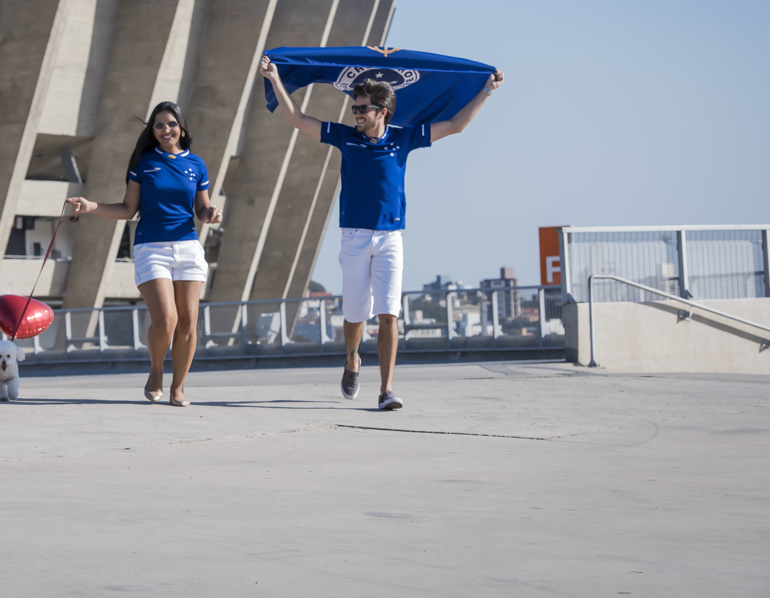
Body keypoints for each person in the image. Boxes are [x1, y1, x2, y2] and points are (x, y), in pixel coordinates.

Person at [259, 54, 504, 409]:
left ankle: (386, 389)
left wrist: (486, 92)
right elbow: (297, 119)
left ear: (381, 112)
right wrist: (276, 77)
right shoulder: (344, 136)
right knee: (355, 314)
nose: (356, 114)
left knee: (389, 313)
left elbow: (455, 125)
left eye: (362, 109)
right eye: (355, 108)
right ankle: (352, 359)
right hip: (354, 237)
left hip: (390, 238)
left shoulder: (405, 138)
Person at [66, 101, 222, 407]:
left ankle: (178, 388)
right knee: (166, 319)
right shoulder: (145, 162)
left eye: (171, 124)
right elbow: (128, 209)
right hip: (151, 248)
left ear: (182, 127)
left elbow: (201, 210)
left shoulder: (197, 165)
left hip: (188, 247)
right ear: (152, 131)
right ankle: (155, 371)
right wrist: (91, 206)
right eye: (159, 125)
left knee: (189, 321)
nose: (166, 130)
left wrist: (211, 214)